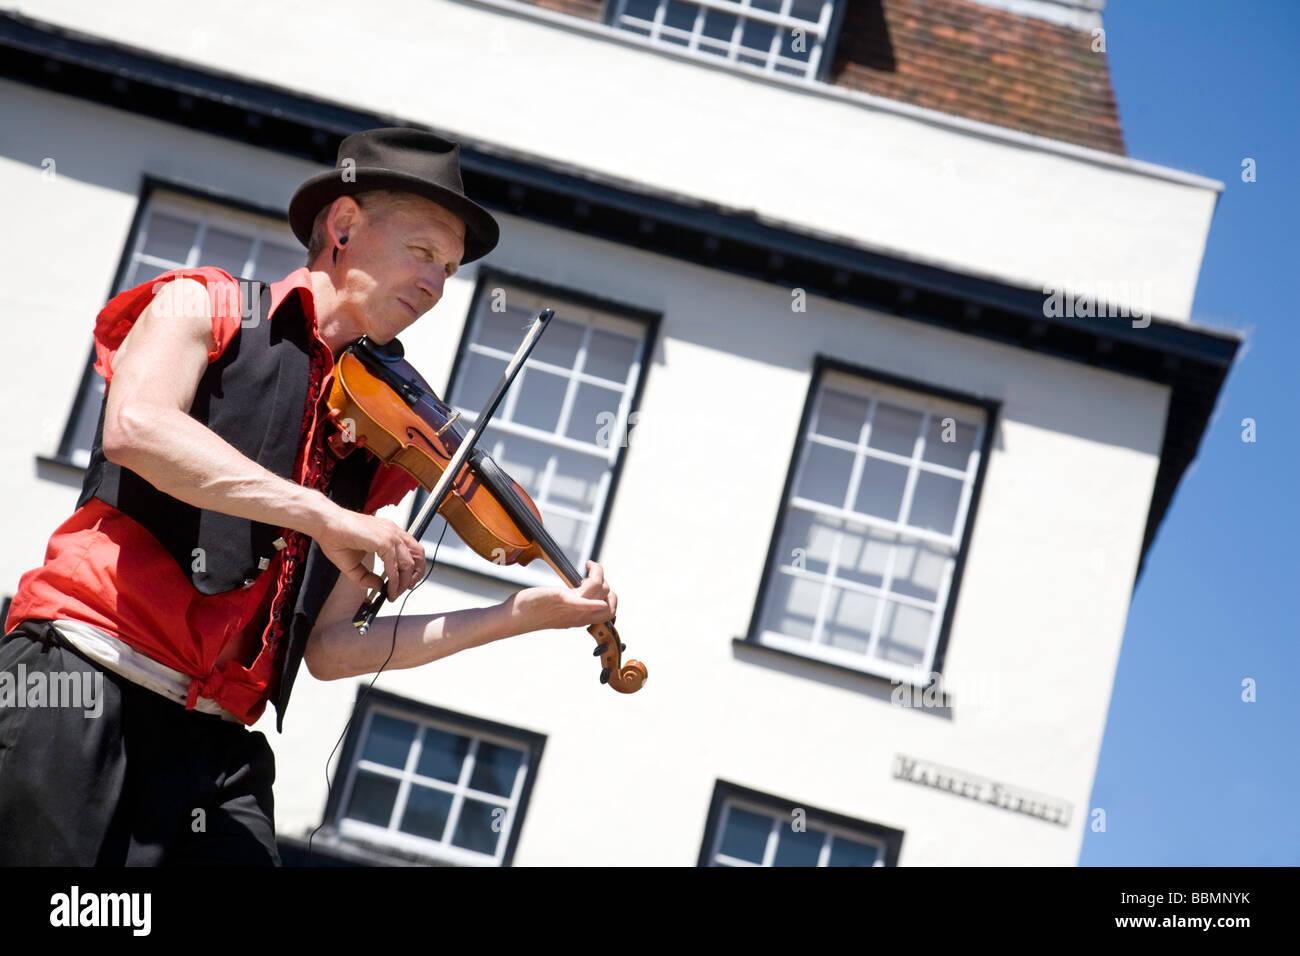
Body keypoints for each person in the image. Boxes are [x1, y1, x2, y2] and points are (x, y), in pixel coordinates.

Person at [0, 127, 617, 866]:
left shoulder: (376, 439)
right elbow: (135, 429)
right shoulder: (198, 305)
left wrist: (519, 615)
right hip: (80, 680)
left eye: (449, 270)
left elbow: (328, 649)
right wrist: (323, 515)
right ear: (344, 226)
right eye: (423, 254)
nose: (435, 286)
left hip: (215, 743)